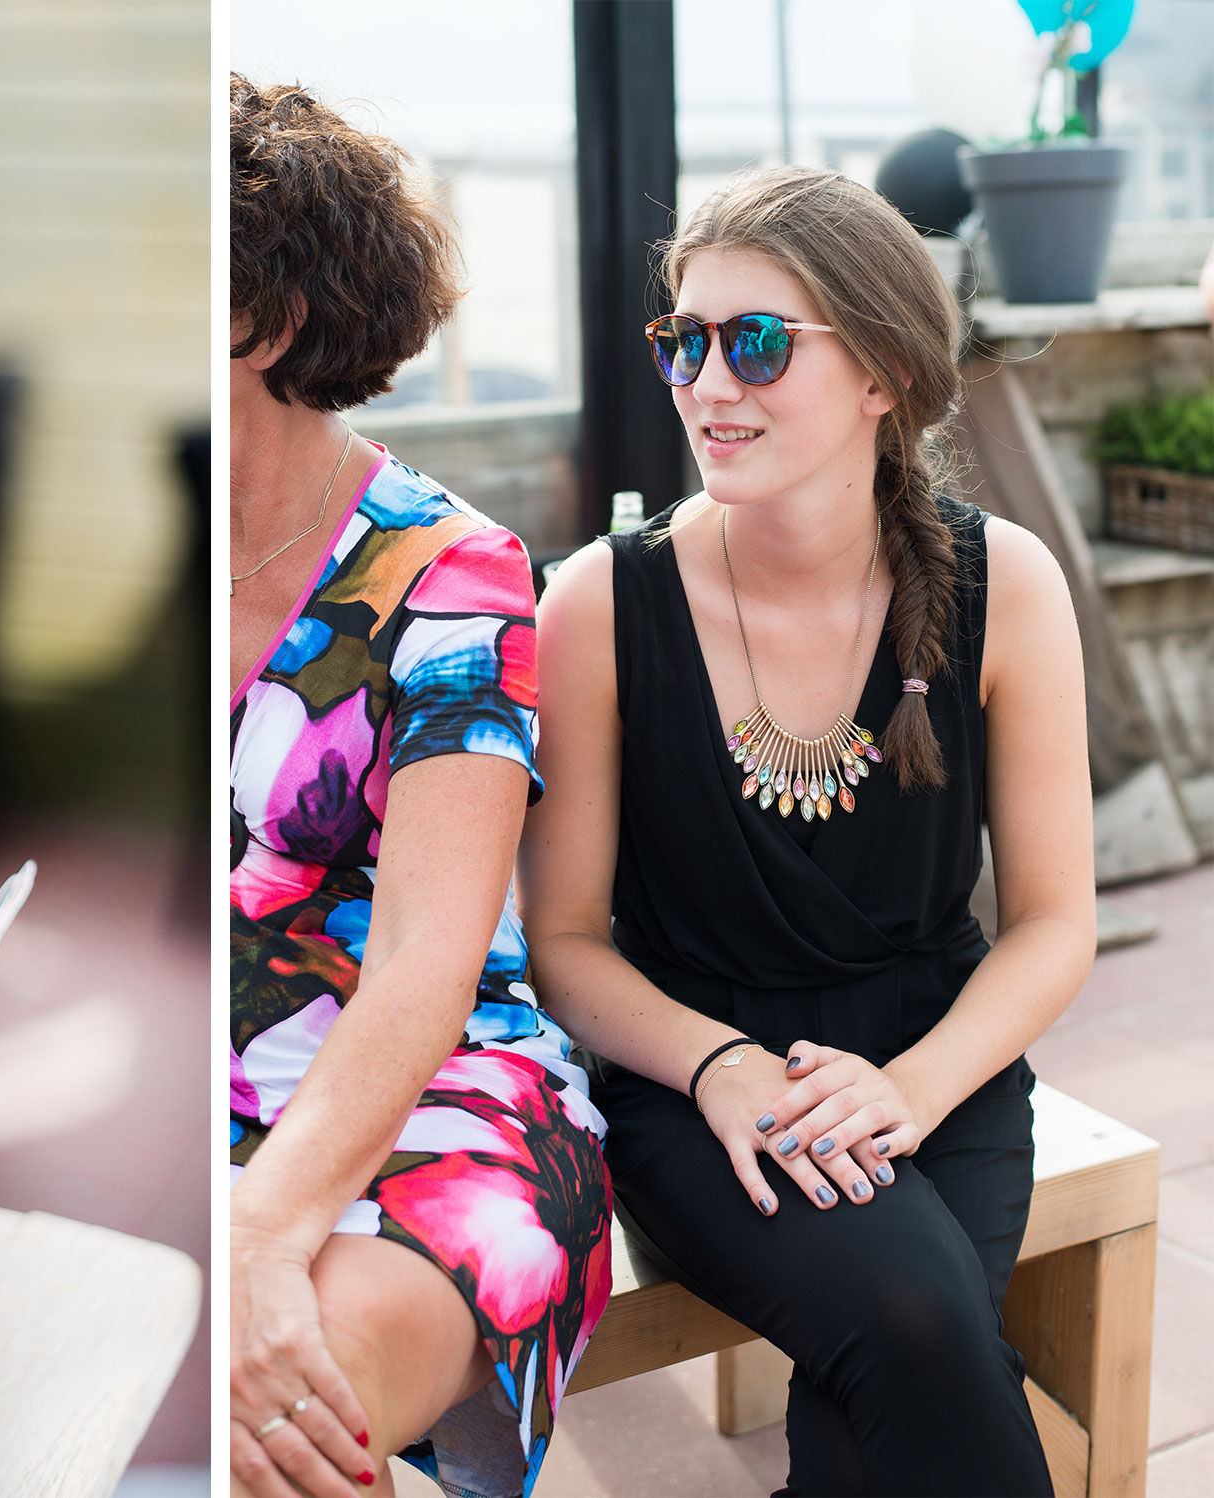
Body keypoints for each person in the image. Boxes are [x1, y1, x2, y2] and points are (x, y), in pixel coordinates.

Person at [520, 164, 1093, 1495]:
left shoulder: (1005, 582)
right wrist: (722, 1065)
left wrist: (911, 1088)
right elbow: (563, 940)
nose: (707, 384)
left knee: (886, 1381)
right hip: (697, 1077)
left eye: (758, 341)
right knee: (913, 1326)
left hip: (931, 1062)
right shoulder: (598, 608)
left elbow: (1058, 921)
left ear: (885, 371)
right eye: (684, 340)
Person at [229, 78, 612, 1498]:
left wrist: (262, 1231)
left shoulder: (450, 573)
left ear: (261, 323)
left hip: (422, 1090)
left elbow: (426, 966)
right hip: (192, 1089)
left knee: (260, 1432)